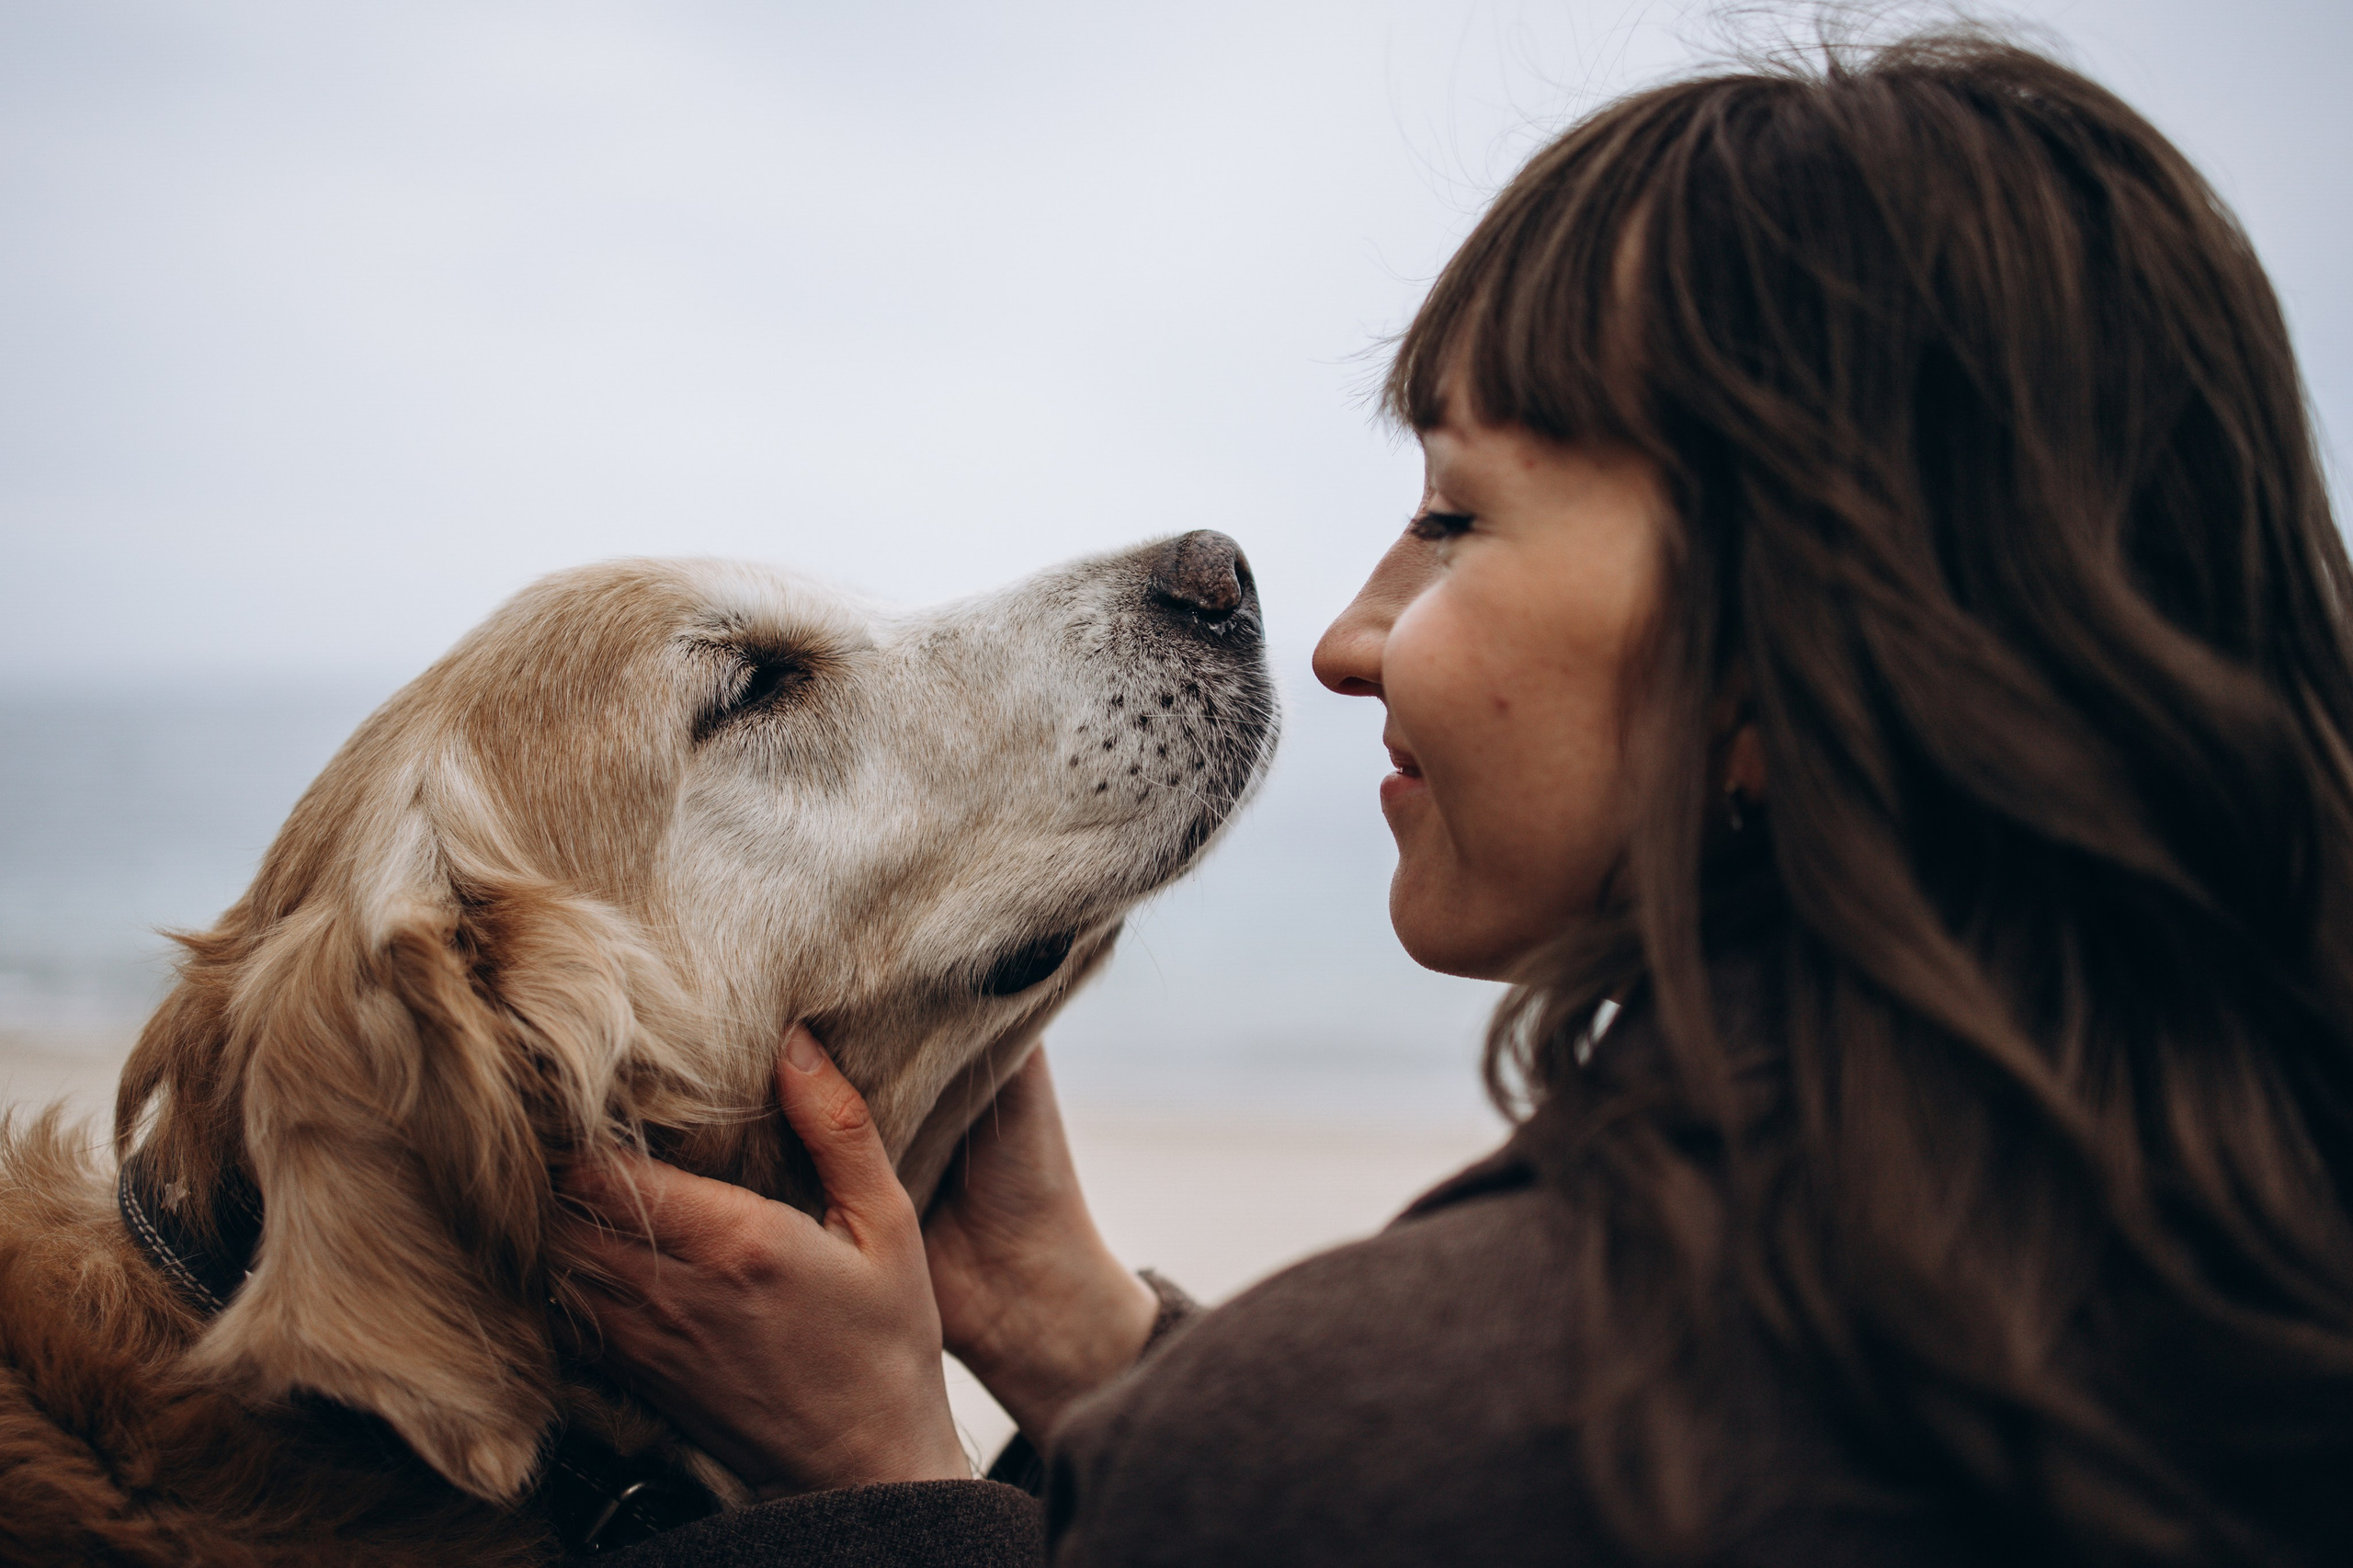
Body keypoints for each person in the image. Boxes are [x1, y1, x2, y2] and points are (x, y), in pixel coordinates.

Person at [560, 30, 2353, 1566]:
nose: (1344, 642)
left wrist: (880, 1485)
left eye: (1452, 514)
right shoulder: (2225, 1261)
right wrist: (1071, 1329)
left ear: (1787, 648)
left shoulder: (1404, 1437)